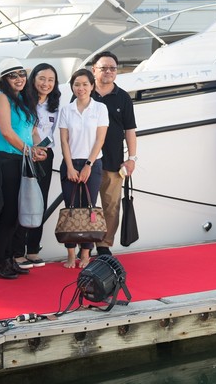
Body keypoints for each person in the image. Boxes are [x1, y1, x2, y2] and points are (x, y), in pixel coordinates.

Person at [0, 58, 40, 279]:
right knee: (7, 212)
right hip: (4, 160)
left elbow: (32, 131)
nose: (19, 79)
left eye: (22, 74)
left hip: (21, 159)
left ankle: (8, 258)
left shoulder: (24, 99)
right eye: (13, 75)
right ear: (4, 79)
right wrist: (29, 150)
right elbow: (6, 132)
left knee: (17, 212)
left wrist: (38, 148)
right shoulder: (0, 98)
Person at [59, 68, 109, 269]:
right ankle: (71, 254)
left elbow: (100, 140)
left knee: (90, 209)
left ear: (92, 86)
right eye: (77, 84)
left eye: (85, 84)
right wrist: (70, 167)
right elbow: (64, 141)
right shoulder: (66, 110)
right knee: (70, 208)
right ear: (72, 86)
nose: (81, 88)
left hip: (93, 163)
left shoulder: (100, 109)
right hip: (70, 163)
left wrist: (88, 165)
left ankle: (86, 254)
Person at [12, 63, 61, 269]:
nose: (46, 83)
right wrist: (32, 149)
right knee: (22, 201)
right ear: (33, 79)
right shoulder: (23, 100)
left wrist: (42, 150)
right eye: (42, 78)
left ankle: (33, 249)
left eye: (51, 80)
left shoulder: (55, 103)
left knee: (40, 201)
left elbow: (55, 131)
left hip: (45, 155)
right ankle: (16, 251)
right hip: (24, 153)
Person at [89, 51, 137, 258]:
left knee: (111, 206)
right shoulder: (84, 92)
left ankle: (104, 246)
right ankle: (85, 245)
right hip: (87, 161)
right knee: (87, 206)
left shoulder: (123, 97)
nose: (108, 71)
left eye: (112, 68)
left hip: (114, 161)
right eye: (103, 68)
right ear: (94, 70)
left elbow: (130, 130)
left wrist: (132, 159)